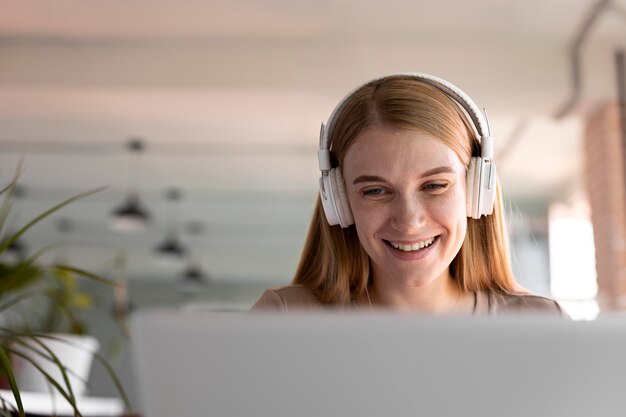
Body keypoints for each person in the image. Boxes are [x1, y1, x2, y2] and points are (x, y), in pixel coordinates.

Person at [250, 73, 566, 316]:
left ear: (475, 191)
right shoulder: (284, 317)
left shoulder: (539, 322)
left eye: (434, 185)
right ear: (340, 203)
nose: (409, 221)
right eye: (375, 190)